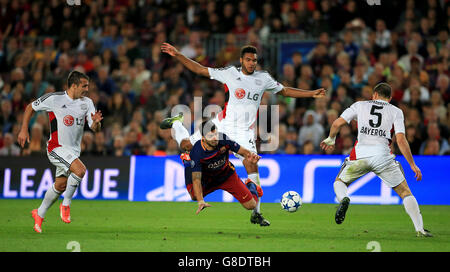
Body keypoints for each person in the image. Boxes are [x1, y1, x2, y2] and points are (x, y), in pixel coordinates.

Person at [160, 42, 326, 226]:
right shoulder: (230, 73)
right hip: (221, 125)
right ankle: (177, 123)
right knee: (186, 147)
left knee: (252, 165)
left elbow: (285, 91)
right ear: (241, 60)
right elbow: (200, 70)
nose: (251, 63)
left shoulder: (263, 78)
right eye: (248, 60)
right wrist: (178, 54)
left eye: (254, 60)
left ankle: (257, 213)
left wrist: (310, 94)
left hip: (244, 133)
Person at [320, 82, 432, 237]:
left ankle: (344, 199)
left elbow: (337, 123)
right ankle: (419, 228)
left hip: (360, 156)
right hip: (383, 157)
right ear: (390, 98)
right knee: (405, 191)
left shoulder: (360, 105)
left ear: (374, 95)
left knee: (340, 182)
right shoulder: (396, 111)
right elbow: (400, 140)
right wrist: (412, 165)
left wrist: (331, 139)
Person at [17, 71, 103, 233]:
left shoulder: (87, 103)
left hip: (73, 152)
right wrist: (23, 129)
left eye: (88, 86)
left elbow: (94, 129)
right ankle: (66, 205)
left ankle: (39, 213)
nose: (87, 89)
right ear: (73, 85)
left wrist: (97, 123)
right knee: (80, 170)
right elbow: (30, 107)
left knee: (61, 185)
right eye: (84, 86)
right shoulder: (54, 99)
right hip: (56, 148)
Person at [186, 120, 262, 216]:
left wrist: (251, 156)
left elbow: (242, 151)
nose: (215, 138)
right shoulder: (197, 152)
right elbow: (196, 179)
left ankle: (252, 185)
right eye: (210, 136)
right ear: (203, 138)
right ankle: (187, 162)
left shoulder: (223, 139)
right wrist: (201, 201)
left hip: (227, 176)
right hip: (208, 180)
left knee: (251, 205)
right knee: (194, 196)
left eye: (216, 134)